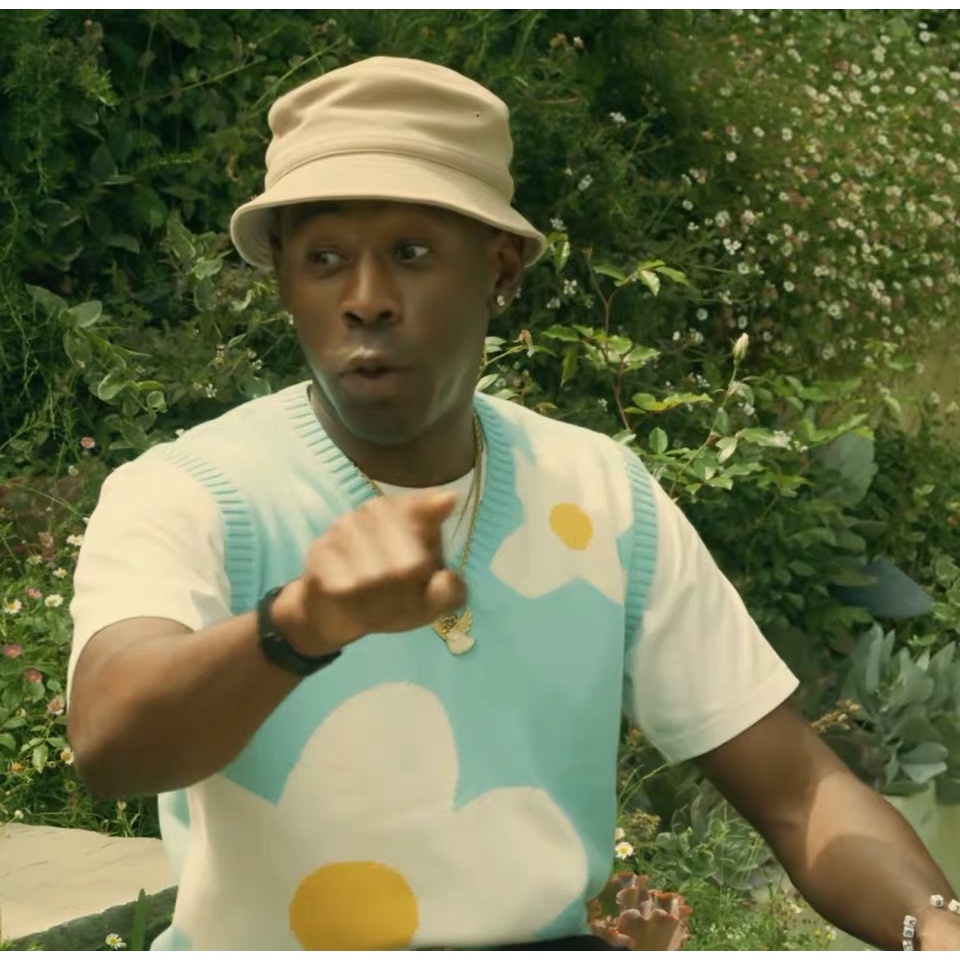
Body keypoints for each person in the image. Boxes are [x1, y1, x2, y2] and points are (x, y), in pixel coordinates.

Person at [67, 56, 960, 952]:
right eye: (324, 259)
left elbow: (801, 793)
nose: (366, 301)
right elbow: (112, 743)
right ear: (283, 282)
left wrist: (932, 927)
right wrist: (297, 626)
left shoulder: (603, 495)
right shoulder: (192, 491)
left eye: (411, 253)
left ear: (499, 270)